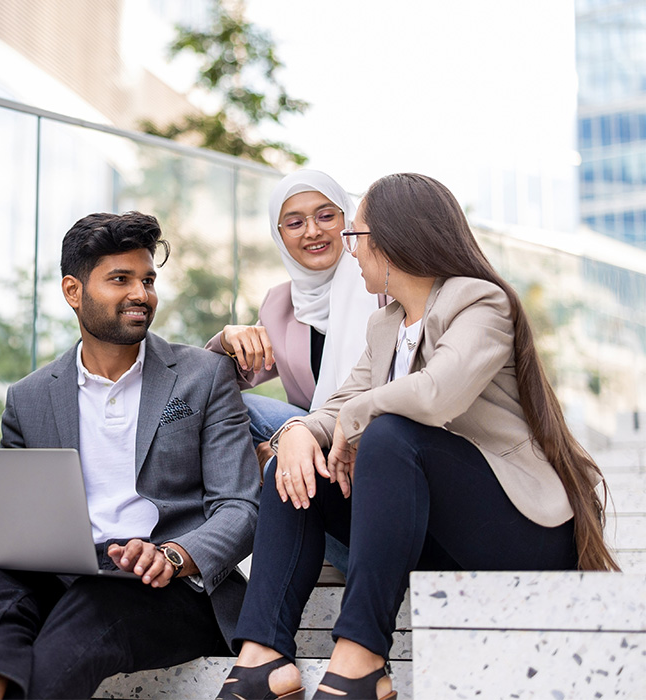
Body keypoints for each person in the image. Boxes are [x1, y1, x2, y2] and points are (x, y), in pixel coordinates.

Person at [220, 173, 618, 700]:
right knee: (295, 464)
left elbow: (437, 395)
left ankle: (361, 656)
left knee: (390, 435)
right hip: (435, 538)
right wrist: (295, 431)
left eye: (355, 237)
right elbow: (338, 407)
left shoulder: (480, 303)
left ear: (391, 241)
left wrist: (351, 422)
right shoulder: (386, 324)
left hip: (521, 533)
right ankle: (263, 657)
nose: (350, 252)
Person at [0, 211, 260, 700]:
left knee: (89, 607)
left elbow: (240, 508)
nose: (141, 294)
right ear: (73, 291)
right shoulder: (31, 397)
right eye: (120, 280)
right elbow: (19, 523)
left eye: (147, 280)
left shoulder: (204, 377)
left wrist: (173, 555)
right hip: (66, 574)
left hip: (175, 587)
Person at [206, 169, 384, 467]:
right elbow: (209, 382)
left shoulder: (380, 281)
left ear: (348, 220)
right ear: (280, 235)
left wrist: (284, 440)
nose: (312, 231)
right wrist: (227, 341)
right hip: (311, 432)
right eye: (295, 223)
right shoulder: (280, 304)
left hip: (380, 427)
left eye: (326, 216)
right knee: (227, 406)